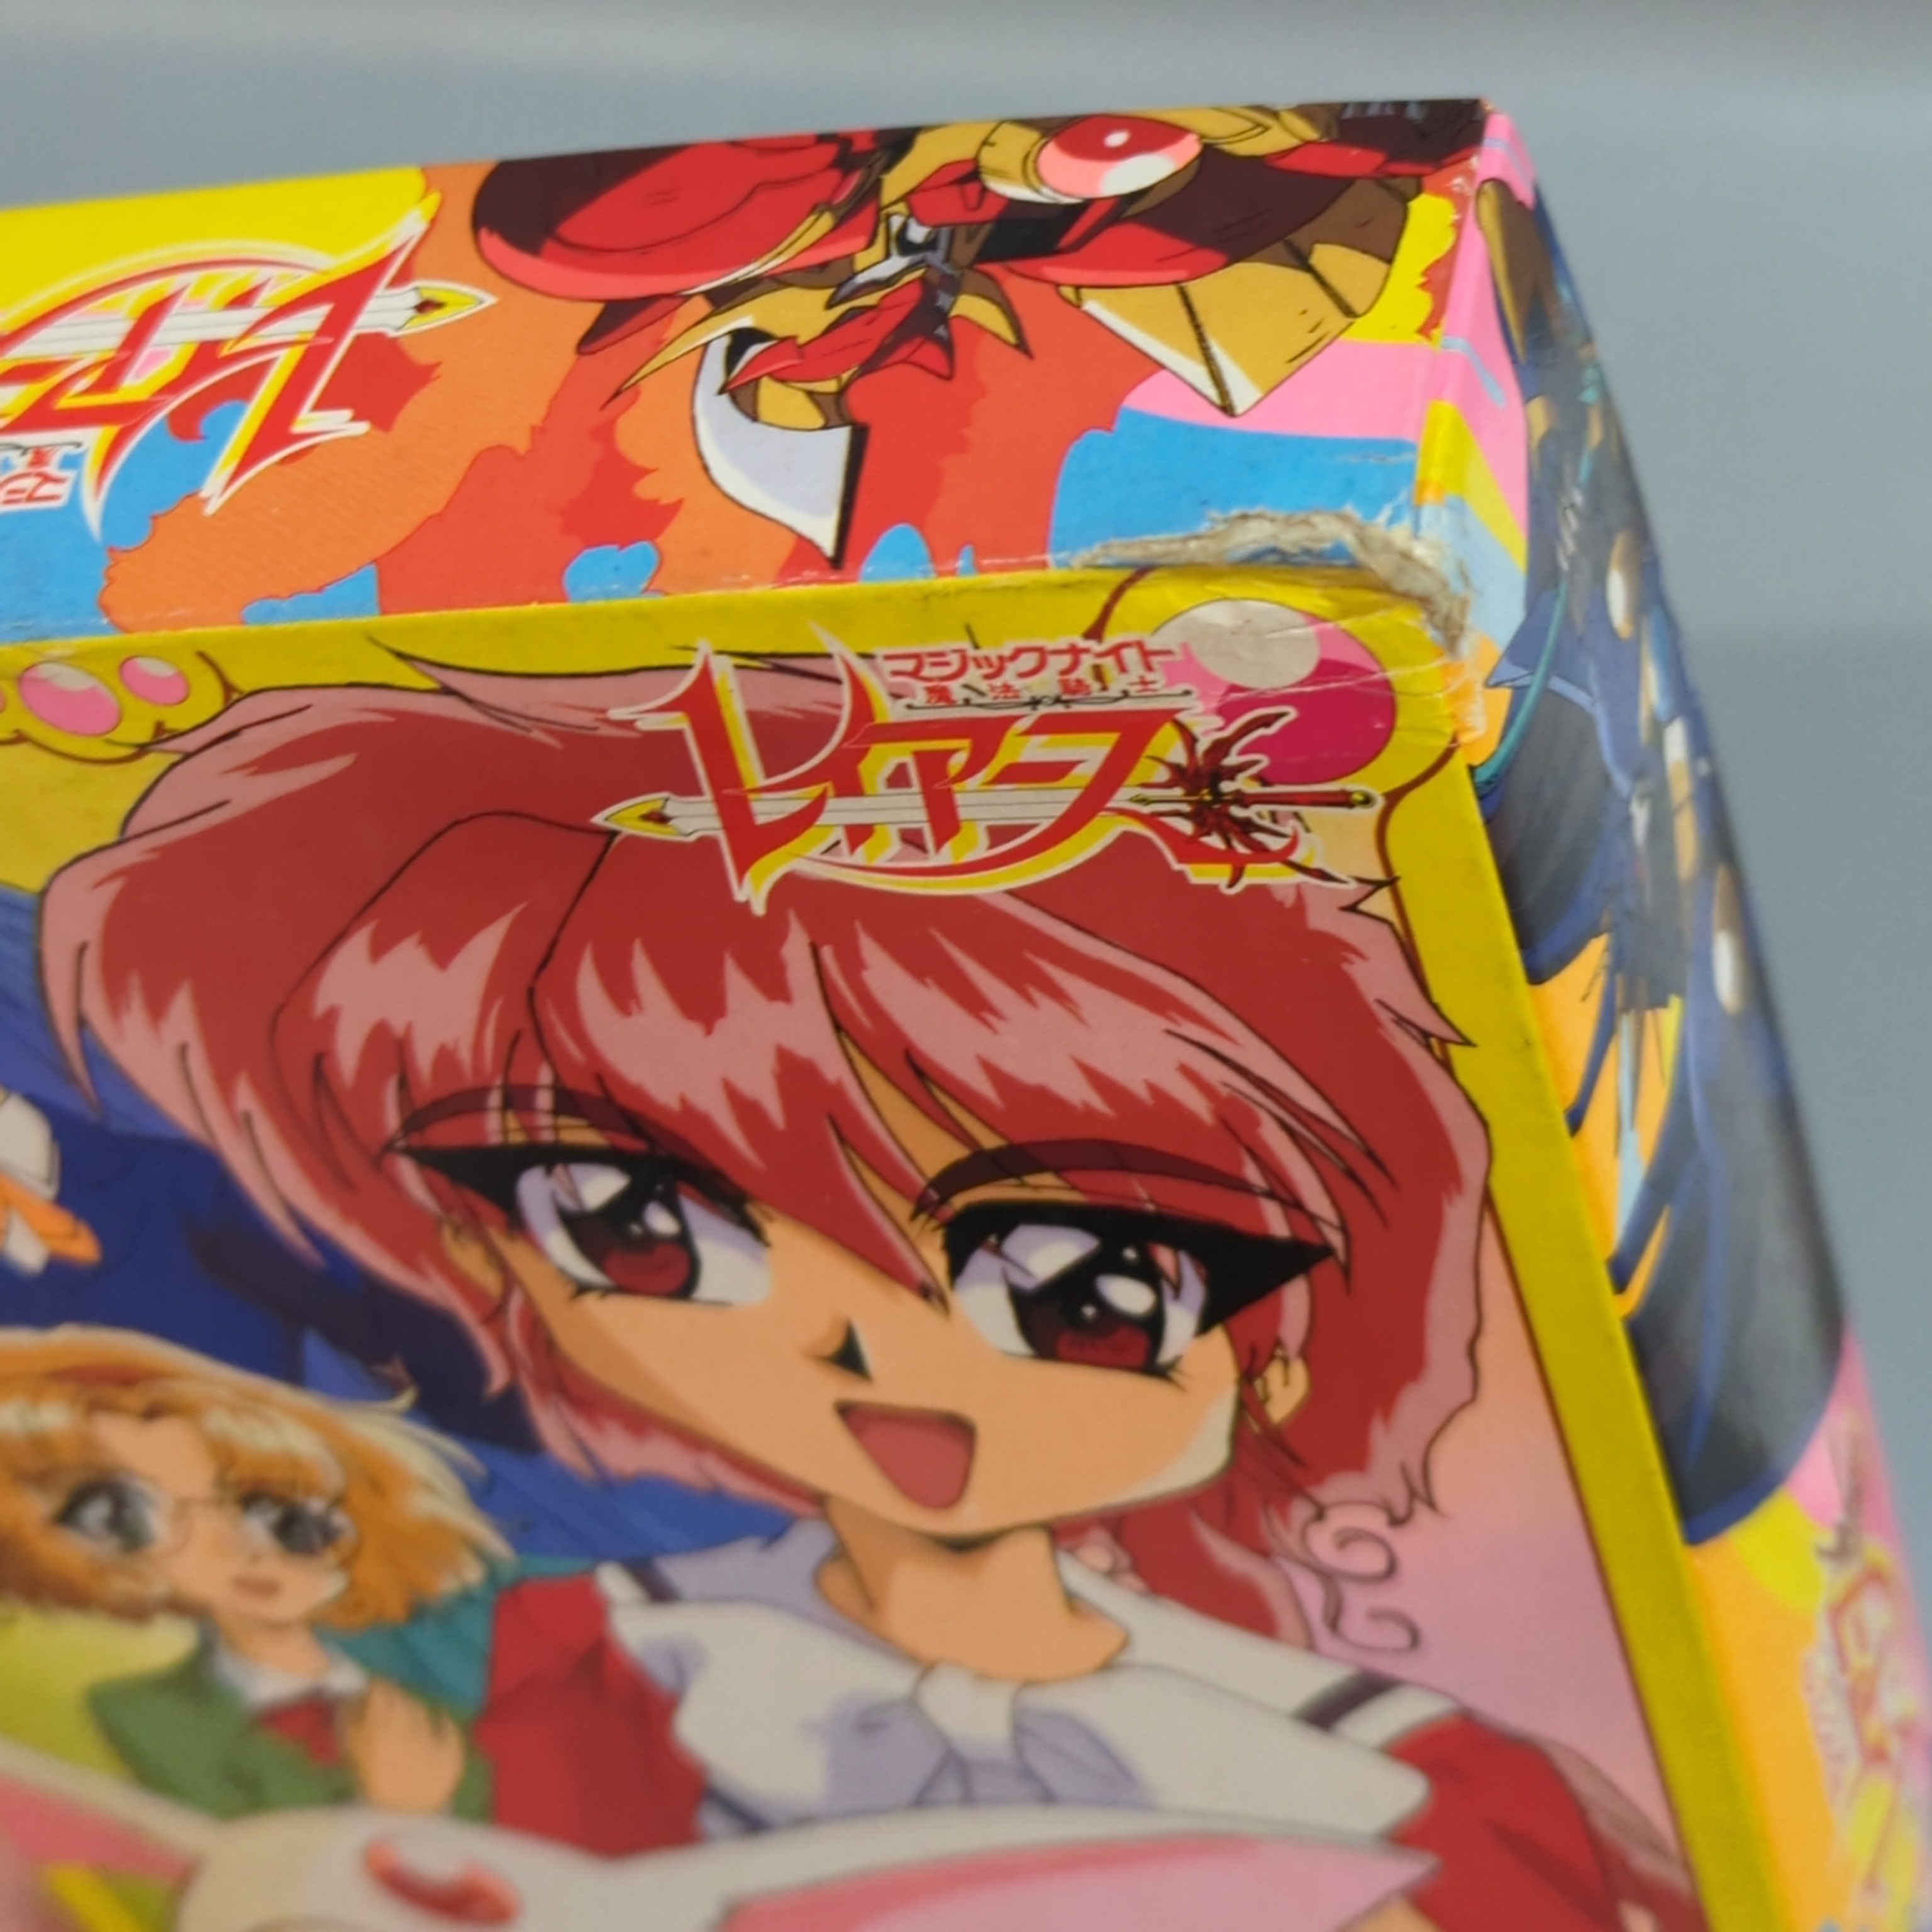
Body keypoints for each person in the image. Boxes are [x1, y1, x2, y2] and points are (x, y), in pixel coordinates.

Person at [38, 652, 1704, 1929]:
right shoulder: (570, 1659)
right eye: (639, 1226)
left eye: (1080, 1286)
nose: (846, 1336)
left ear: (1276, 1355)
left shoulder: (1415, 1786)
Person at [0, 1326, 506, 1821]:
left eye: (277, 1510)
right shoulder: (145, 1716)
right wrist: (399, 1814)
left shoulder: (451, 1686)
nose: (236, 1548)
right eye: (126, 1517)